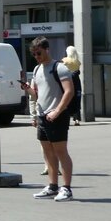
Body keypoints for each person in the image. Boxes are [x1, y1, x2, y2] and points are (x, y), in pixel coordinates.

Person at [25, 36, 75, 201]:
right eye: (34, 54)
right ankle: (52, 186)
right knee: (48, 153)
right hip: (42, 115)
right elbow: (36, 94)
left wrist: (57, 111)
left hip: (57, 116)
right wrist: (28, 89)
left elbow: (69, 92)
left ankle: (66, 188)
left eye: (39, 53)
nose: (37, 57)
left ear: (47, 50)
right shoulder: (37, 69)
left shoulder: (59, 68)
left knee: (61, 151)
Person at [62, 46, 83, 126]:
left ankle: (66, 118)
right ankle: (77, 119)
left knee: (67, 99)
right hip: (77, 81)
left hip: (68, 81)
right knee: (77, 101)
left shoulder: (65, 60)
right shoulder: (77, 61)